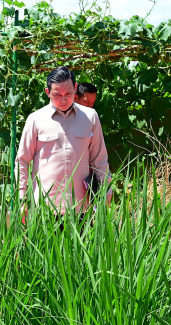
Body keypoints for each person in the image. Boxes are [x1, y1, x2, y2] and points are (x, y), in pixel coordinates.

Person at [16, 67, 110, 215]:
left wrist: (106, 191)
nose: (63, 99)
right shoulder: (35, 119)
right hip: (45, 208)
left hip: (81, 207)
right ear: (47, 92)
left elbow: (100, 158)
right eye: (57, 95)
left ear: (76, 88)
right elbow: (22, 160)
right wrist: (21, 198)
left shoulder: (90, 117)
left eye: (68, 94)